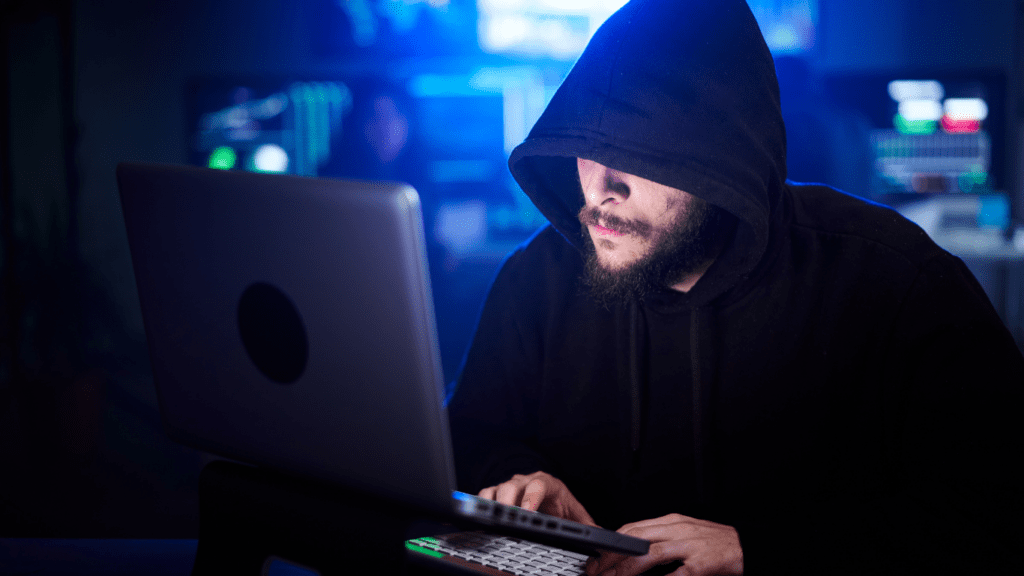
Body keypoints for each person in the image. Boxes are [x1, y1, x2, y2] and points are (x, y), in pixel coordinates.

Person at [445, 0, 1024, 574]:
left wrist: (760, 551)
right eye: (584, 150)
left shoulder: (893, 280)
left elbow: (993, 514)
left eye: (634, 155)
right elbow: (466, 440)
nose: (600, 191)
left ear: (720, 162)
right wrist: (521, 483)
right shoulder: (539, 277)